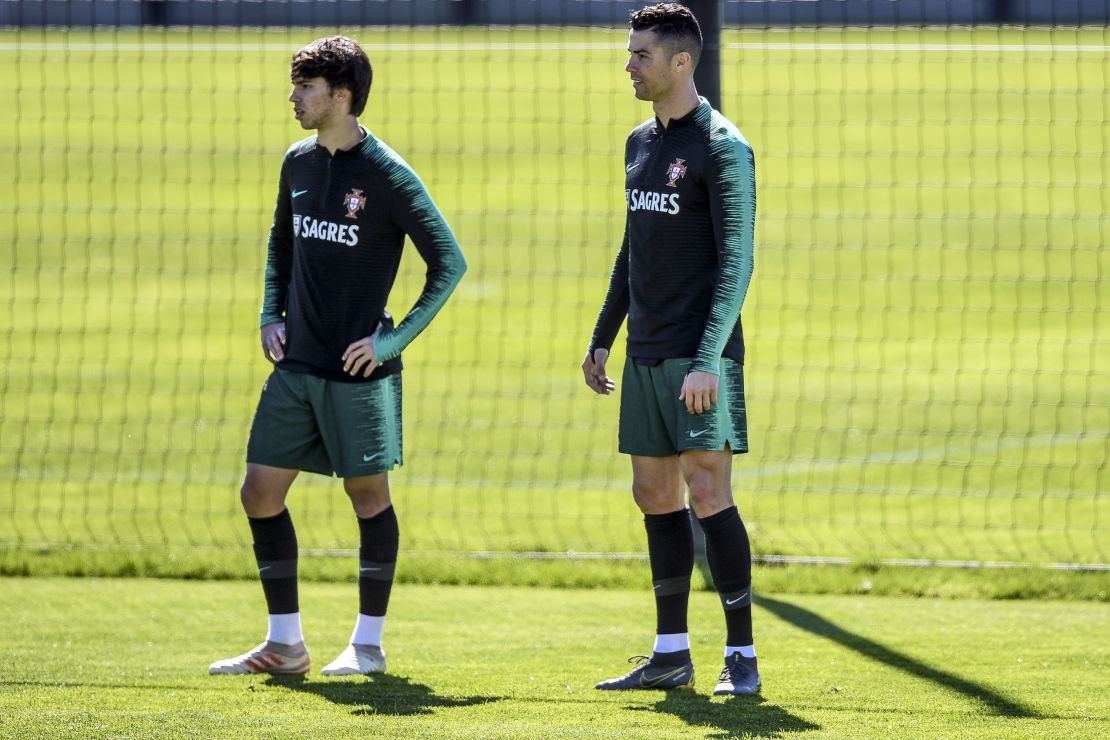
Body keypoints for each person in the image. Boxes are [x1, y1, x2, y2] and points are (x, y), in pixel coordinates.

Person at [209, 36, 466, 677]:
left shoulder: (387, 175)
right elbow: (281, 247)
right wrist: (272, 313)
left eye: (305, 88)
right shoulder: (297, 163)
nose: (293, 98)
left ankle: (368, 646)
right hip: (296, 365)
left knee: (367, 496)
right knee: (259, 493)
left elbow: (449, 264)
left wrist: (391, 341)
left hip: (360, 371)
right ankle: (285, 645)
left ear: (341, 94)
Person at [583, 3, 759, 696]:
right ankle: (670, 653)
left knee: (708, 492)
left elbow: (737, 262)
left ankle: (740, 657)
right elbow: (634, 249)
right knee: (653, 494)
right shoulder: (638, 143)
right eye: (630, 54)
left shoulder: (722, 146)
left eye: (640, 55)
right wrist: (604, 335)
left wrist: (708, 357)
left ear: (681, 61)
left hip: (701, 359)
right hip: (645, 355)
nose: (629, 65)